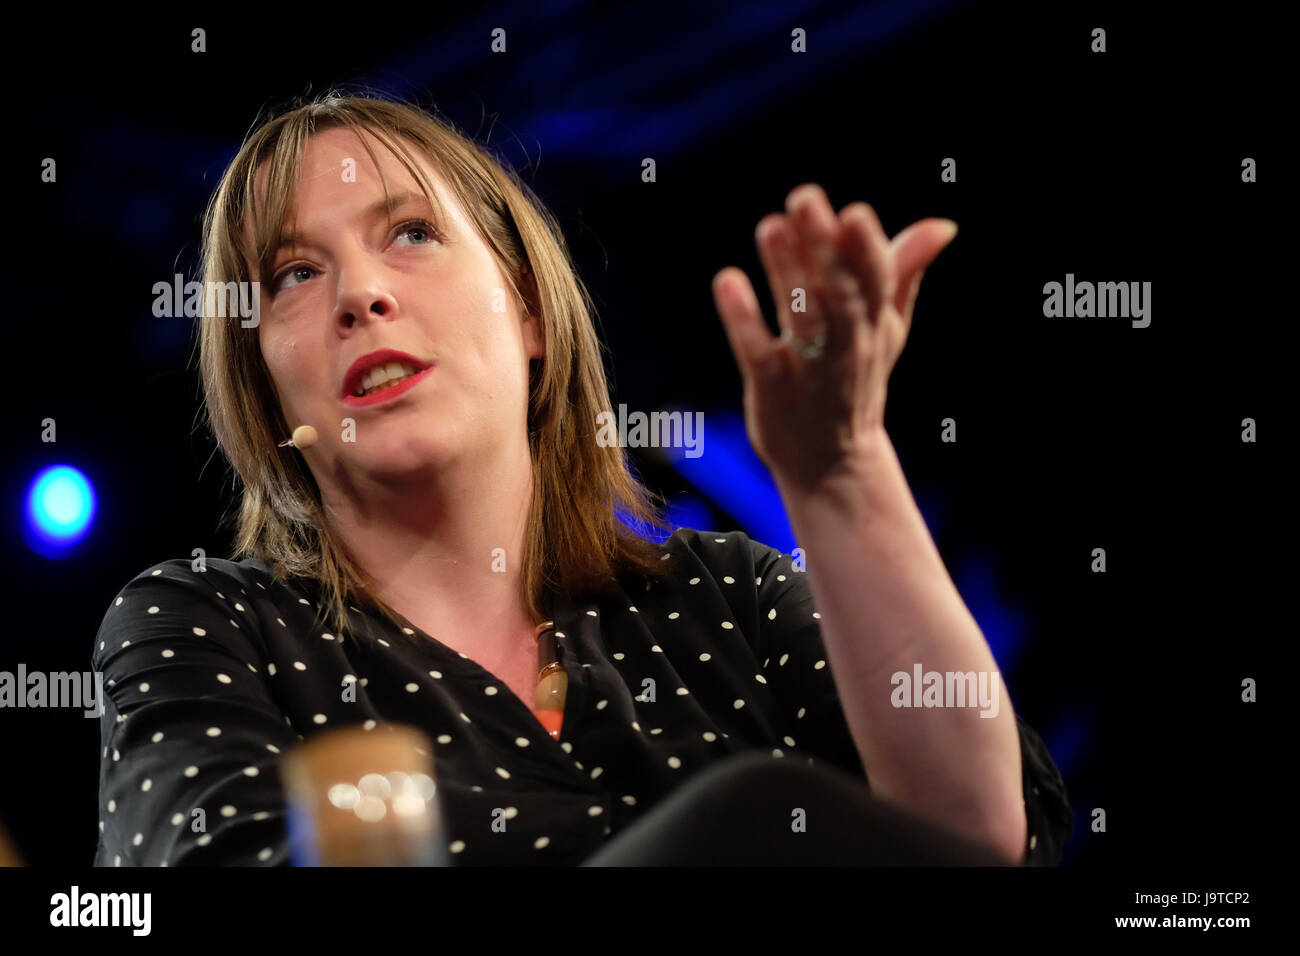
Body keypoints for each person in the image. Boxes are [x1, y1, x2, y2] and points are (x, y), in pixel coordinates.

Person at [92, 92, 1072, 867]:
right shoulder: (204, 624)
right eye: (293, 274)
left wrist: (842, 472)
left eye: (411, 234)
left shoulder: (726, 596)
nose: (361, 294)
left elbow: (981, 837)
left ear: (527, 310)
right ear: (265, 387)